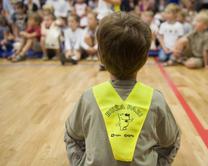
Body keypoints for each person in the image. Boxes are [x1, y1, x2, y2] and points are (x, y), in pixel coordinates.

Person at [64, 12, 181, 166]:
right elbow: (171, 142)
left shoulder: (89, 97)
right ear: (146, 58)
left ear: (100, 57)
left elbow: (72, 137)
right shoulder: (155, 99)